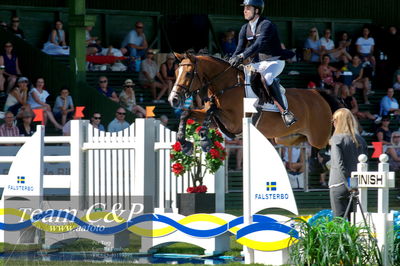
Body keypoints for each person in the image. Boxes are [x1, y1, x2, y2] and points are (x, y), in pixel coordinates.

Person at [228, 0, 296, 127]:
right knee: (241, 77)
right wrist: (232, 59)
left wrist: (242, 56)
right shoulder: (244, 28)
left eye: (248, 8)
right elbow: (239, 48)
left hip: (274, 61)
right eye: (244, 8)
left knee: (267, 78)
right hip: (257, 63)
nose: (245, 11)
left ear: (257, 10)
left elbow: (259, 44)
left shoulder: (267, 24)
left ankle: (285, 112)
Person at [329, 108, 367, 218]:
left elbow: (339, 164)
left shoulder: (336, 139)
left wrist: (348, 185)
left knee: (338, 221)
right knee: (353, 221)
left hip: (339, 184)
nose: (333, 123)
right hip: (357, 184)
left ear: (338, 121)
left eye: (334, 120)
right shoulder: (361, 140)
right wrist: (353, 185)